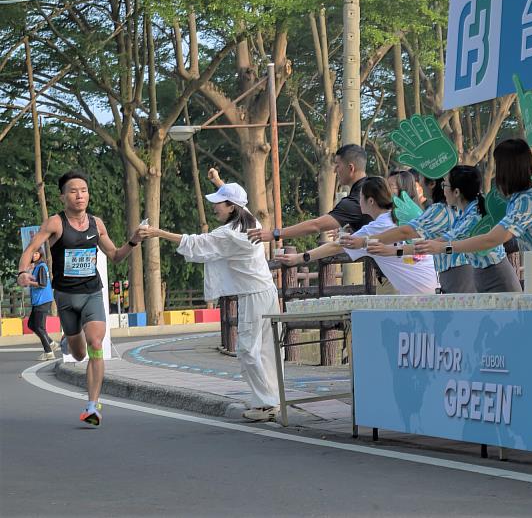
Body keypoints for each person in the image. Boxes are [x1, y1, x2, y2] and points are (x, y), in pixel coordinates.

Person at [140, 176, 282, 422]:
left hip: (253, 295)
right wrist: (219, 182)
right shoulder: (250, 220)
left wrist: (156, 232)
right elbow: (239, 200)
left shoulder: (230, 234)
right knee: (266, 350)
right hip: (267, 291)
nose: (214, 207)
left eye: (219, 203)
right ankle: (271, 400)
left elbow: (195, 242)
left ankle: (267, 403)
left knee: (247, 350)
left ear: (231, 207)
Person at [17, 170, 146, 426]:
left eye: (84, 190)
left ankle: (92, 406)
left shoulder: (97, 224)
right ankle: (69, 341)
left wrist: (133, 241)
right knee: (77, 354)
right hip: (65, 297)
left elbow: (116, 255)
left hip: (92, 293)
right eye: (73, 191)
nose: (80, 195)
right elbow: (31, 249)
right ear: (63, 196)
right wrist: (23, 271)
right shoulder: (55, 223)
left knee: (96, 344)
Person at [416, 142, 532, 292]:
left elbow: (491, 239)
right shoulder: (528, 194)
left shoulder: (528, 200)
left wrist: (444, 247)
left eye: (498, 165)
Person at [278, 177, 438, 295]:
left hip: (419, 293)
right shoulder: (400, 216)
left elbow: (336, 246)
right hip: (433, 287)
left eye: (360, 197)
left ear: (370, 201)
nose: (358, 201)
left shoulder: (377, 226)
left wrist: (300, 258)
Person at [415, 165, 523, 293]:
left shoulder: (474, 218)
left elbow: (446, 243)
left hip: (497, 277)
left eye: (445, 185)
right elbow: (441, 242)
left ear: (456, 192)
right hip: (481, 276)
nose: (443, 189)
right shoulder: (465, 212)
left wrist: (395, 250)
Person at [366, 175, 476, 293]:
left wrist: (365, 241)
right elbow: (427, 245)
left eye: (421, 179)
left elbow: (407, 233)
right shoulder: (459, 209)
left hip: (456, 274)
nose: (419, 184)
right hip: (453, 273)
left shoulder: (440, 210)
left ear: (432, 183)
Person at [248, 144, 372, 244]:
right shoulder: (372, 187)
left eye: (338, 166)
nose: (335, 171)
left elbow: (315, 226)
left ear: (351, 168)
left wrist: (274, 234)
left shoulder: (357, 199)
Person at [27, 248, 56, 360]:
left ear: (40, 254)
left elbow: (42, 284)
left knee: (39, 327)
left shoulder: (41, 267)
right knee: (31, 325)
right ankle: (51, 343)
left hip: (43, 300)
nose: (34, 255)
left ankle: (48, 352)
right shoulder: (37, 267)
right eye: (32, 253)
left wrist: (29, 282)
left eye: (36, 253)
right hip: (38, 300)